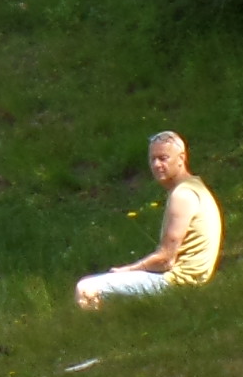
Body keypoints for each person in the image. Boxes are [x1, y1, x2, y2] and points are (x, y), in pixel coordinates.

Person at [74, 130, 222, 309]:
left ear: (181, 158)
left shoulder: (182, 195)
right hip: (194, 280)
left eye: (163, 158)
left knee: (86, 288)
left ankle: (95, 333)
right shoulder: (196, 187)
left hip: (179, 282)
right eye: (152, 159)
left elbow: (166, 259)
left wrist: (127, 270)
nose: (157, 165)